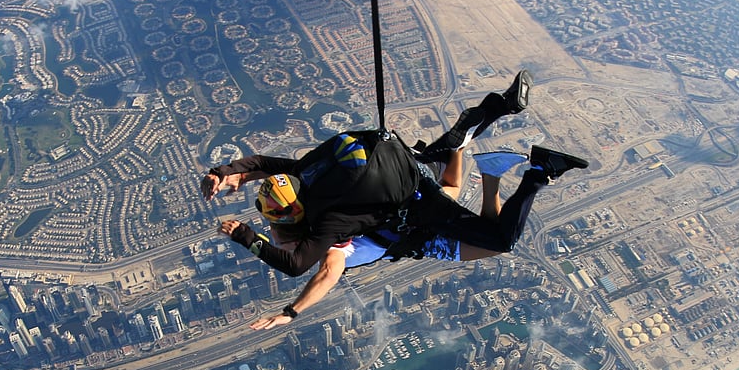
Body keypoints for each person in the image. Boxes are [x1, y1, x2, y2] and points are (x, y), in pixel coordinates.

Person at [201, 72, 545, 277]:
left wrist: (244, 236)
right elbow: (263, 163)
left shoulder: (327, 225)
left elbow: (295, 264)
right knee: (446, 154)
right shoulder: (302, 172)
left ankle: (536, 173)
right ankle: (498, 108)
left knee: (499, 240)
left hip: (416, 203)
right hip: (399, 162)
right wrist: (228, 172)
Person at [244, 144, 585, 328]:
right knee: (471, 210)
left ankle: (539, 173)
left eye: (279, 242)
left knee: (501, 242)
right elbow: (290, 169)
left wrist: (292, 311)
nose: (282, 247)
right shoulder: (326, 219)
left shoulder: (331, 247)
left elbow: (325, 277)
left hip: (424, 237)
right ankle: (487, 167)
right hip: (412, 219)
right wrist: (241, 172)